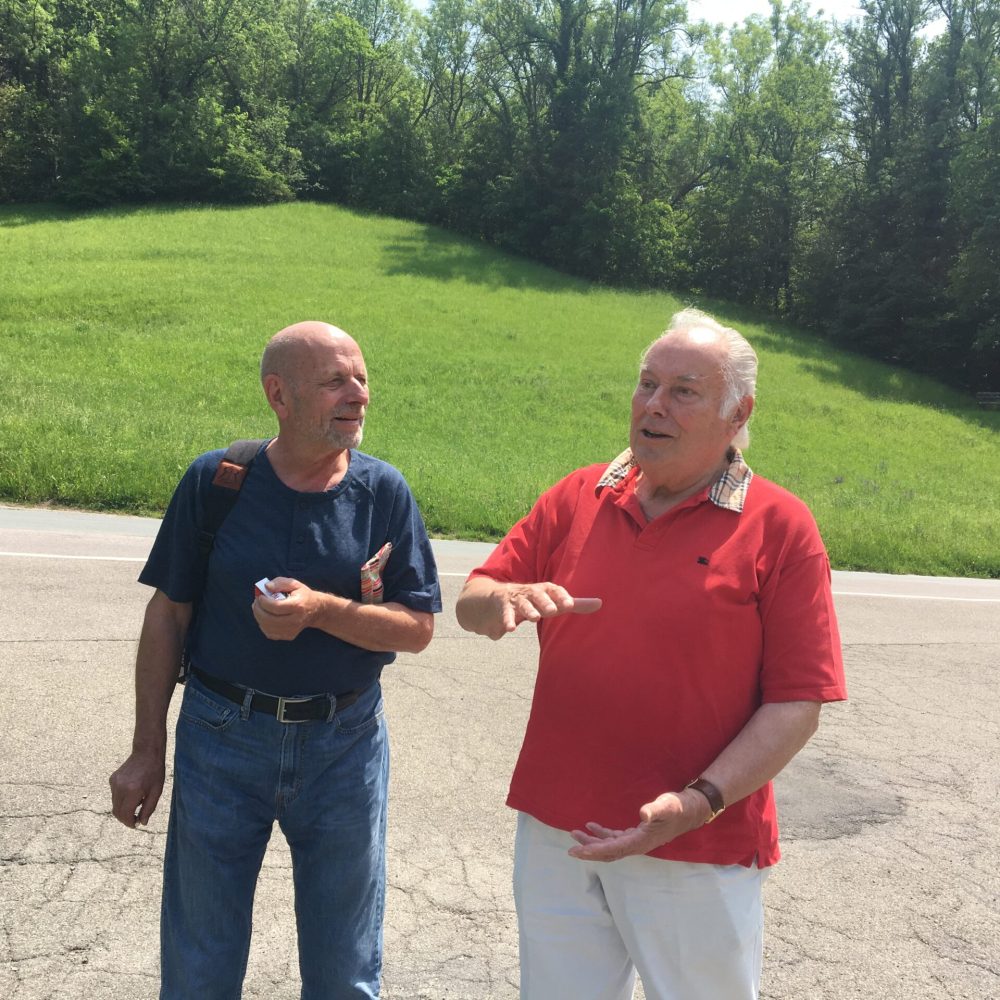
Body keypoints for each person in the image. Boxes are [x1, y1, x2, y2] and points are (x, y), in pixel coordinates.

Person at [455, 309, 847, 1000]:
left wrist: (700, 802)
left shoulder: (780, 527)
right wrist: (498, 603)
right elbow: (475, 595)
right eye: (646, 384)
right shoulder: (580, 494)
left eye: (683, 390)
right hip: (557, 828)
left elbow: (798, 703)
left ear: (738, 413)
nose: (653, 405)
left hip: (694, 843)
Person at [109, 321, 441, 1000]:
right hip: (221, 737)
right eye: (334, 381)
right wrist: (147, 750)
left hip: (345, 745)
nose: (358, 395)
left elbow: (415, 628)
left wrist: (322, 610)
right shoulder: (218, 480)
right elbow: (167, 616)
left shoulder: (384, 494)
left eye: (362, 377)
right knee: (200, 960)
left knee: (344, 966)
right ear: (278, 396)